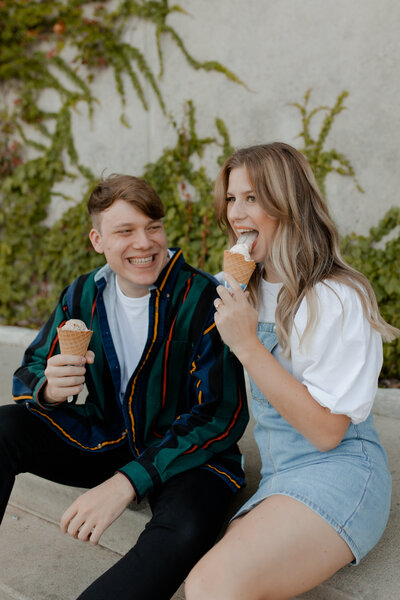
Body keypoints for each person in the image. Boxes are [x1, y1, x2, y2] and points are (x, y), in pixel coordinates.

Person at [0, 174, 248, 600]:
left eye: (153, 227)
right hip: (107, 439)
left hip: (185, 456)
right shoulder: (82, 294)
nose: (144, 243)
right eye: (125, 231)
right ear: (98, 240)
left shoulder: (205, 299)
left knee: (184, 529)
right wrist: (48, 388)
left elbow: (220, 415)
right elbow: (32, 368)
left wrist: (127, 483)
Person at [185, 142, 399, 600]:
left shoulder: (337, 296)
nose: (235, 214)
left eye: (252, 198)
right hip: (281, 474)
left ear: (288, 202)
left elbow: (327, 432)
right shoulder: (241, 286)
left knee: (210, 585)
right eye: (230, 198)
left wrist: (246, 344)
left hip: (339, 470)